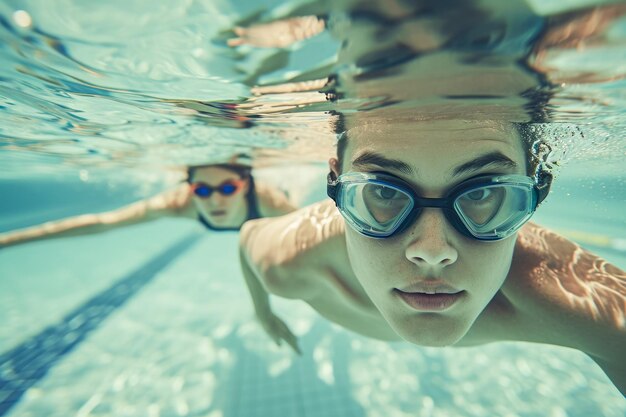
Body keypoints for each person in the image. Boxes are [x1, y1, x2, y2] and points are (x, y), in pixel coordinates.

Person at [238, 116, 626, 394]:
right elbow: (247, 237)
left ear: (537, 190)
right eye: (384, 192)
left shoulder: (575, 299)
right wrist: (262, 312)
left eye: (482, 193)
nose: (433, 253)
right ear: (336, 185)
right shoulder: (290, 260)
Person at [0, 163, 296, 246]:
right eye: (202, 190)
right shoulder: (177, 204)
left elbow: (325, 228)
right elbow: (103, 223)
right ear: (189, 189)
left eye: (228, 188)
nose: (216, 200)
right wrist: (10, 239)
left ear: (244, 186)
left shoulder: (268, 201)